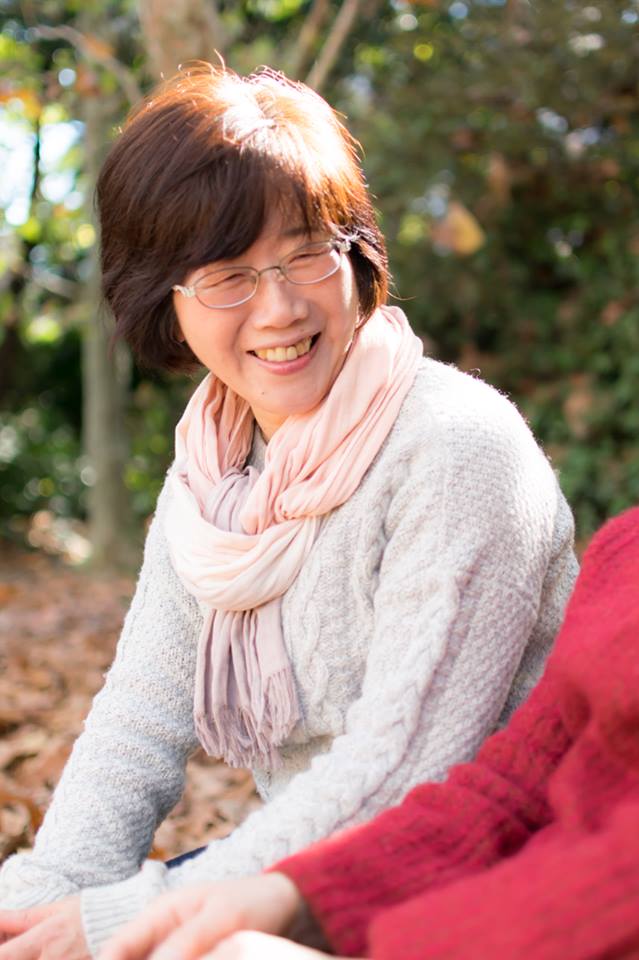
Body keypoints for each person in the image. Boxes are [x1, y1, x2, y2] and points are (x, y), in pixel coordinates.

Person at [0, 63, 577, 960]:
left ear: (356, 255)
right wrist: (45, 893)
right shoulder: (212, 470)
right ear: (165, 300)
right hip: (304, 884)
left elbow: (404, 774)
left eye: (307, 253)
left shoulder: (455, 446)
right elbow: (139, 721)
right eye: (226, 275)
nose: (279, 309)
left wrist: (128, 917)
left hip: (489, 887)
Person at [87, 502, 639, 960]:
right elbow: (509, 787)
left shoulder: (461, 453)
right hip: (443, 904)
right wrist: (301, 893)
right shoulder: (625, 552)